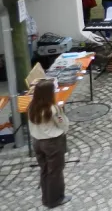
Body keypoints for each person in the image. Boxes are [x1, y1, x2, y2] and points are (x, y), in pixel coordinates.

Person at [28, 80, 72, 208]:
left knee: (45, 170)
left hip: (37, 141)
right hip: (52, 142)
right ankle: (55, 199)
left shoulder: (32, 106)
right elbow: (62, 123)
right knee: (55, 171)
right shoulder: (52, 109)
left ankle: (46, 198)